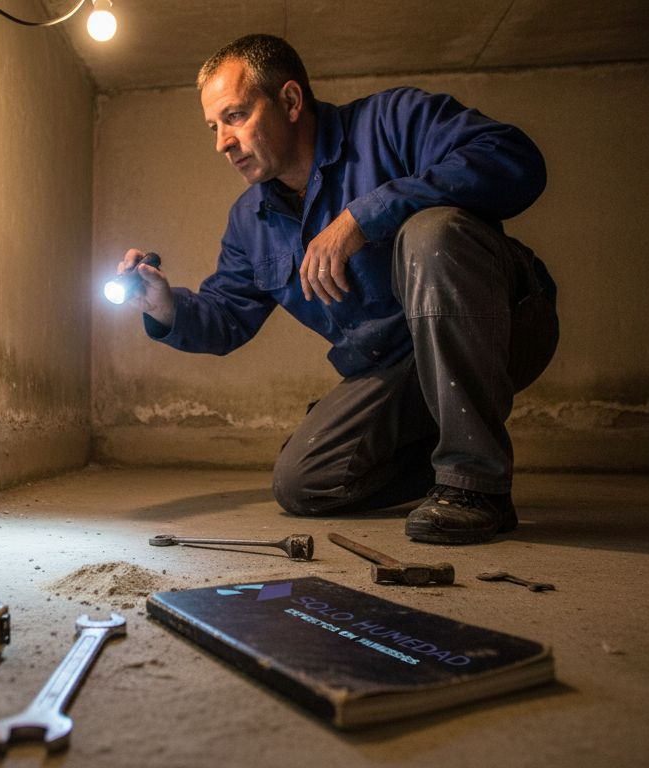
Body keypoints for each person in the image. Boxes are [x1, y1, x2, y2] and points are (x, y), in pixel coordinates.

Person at [115, 34, 559, 545]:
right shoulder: (249, 221)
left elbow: (515, 158)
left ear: (290, 101)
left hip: (511, 321)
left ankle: (477, 486)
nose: (222, 142)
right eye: (213, 127)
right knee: (304, 481)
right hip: (400, 367)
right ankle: (451, 462)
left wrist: (366, 215)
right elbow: (228, 314)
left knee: (431, 231)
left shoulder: (393, 122)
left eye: (234, 116)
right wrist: (165, 305)